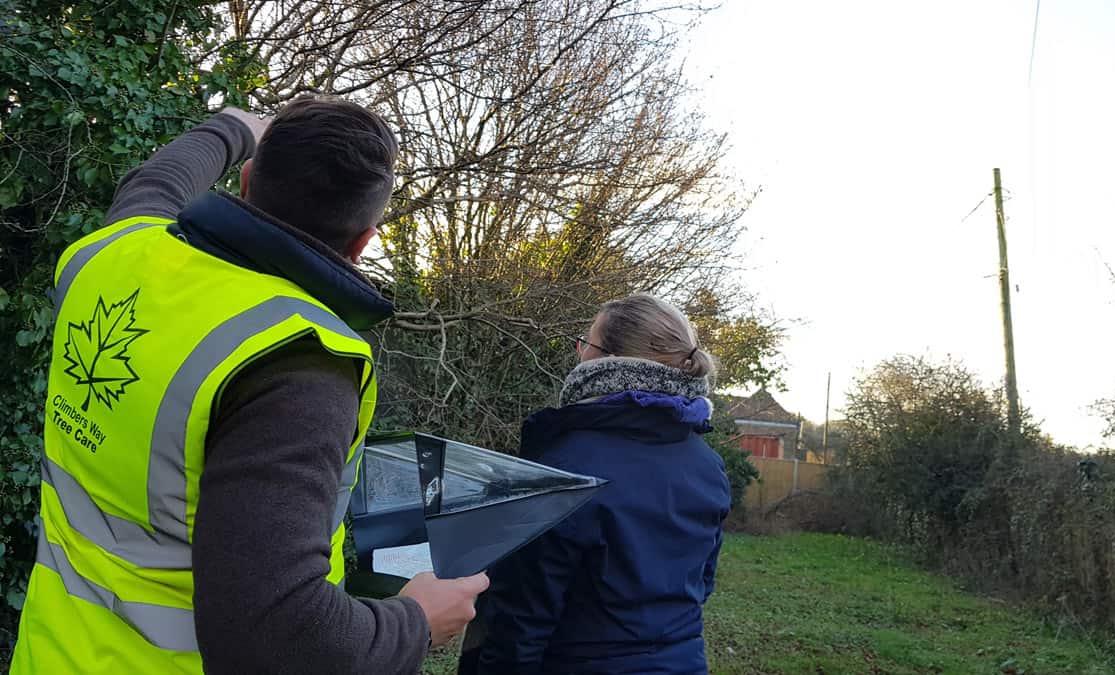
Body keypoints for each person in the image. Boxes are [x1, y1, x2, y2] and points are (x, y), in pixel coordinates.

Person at [10, 97, 487, 674]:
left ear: (244, 180)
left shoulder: (112, 254)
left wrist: (234, 126)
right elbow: (273, 637)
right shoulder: (296, 362)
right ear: (363, 244)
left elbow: (158, 179)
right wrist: (416, 623)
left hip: (51, 652)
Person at [474, 294, 732, 674]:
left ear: (609, 361)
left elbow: (518, 622)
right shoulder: (709, 466)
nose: (579, 353)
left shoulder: (566, 467)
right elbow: (701, 584)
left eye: (586, 344)